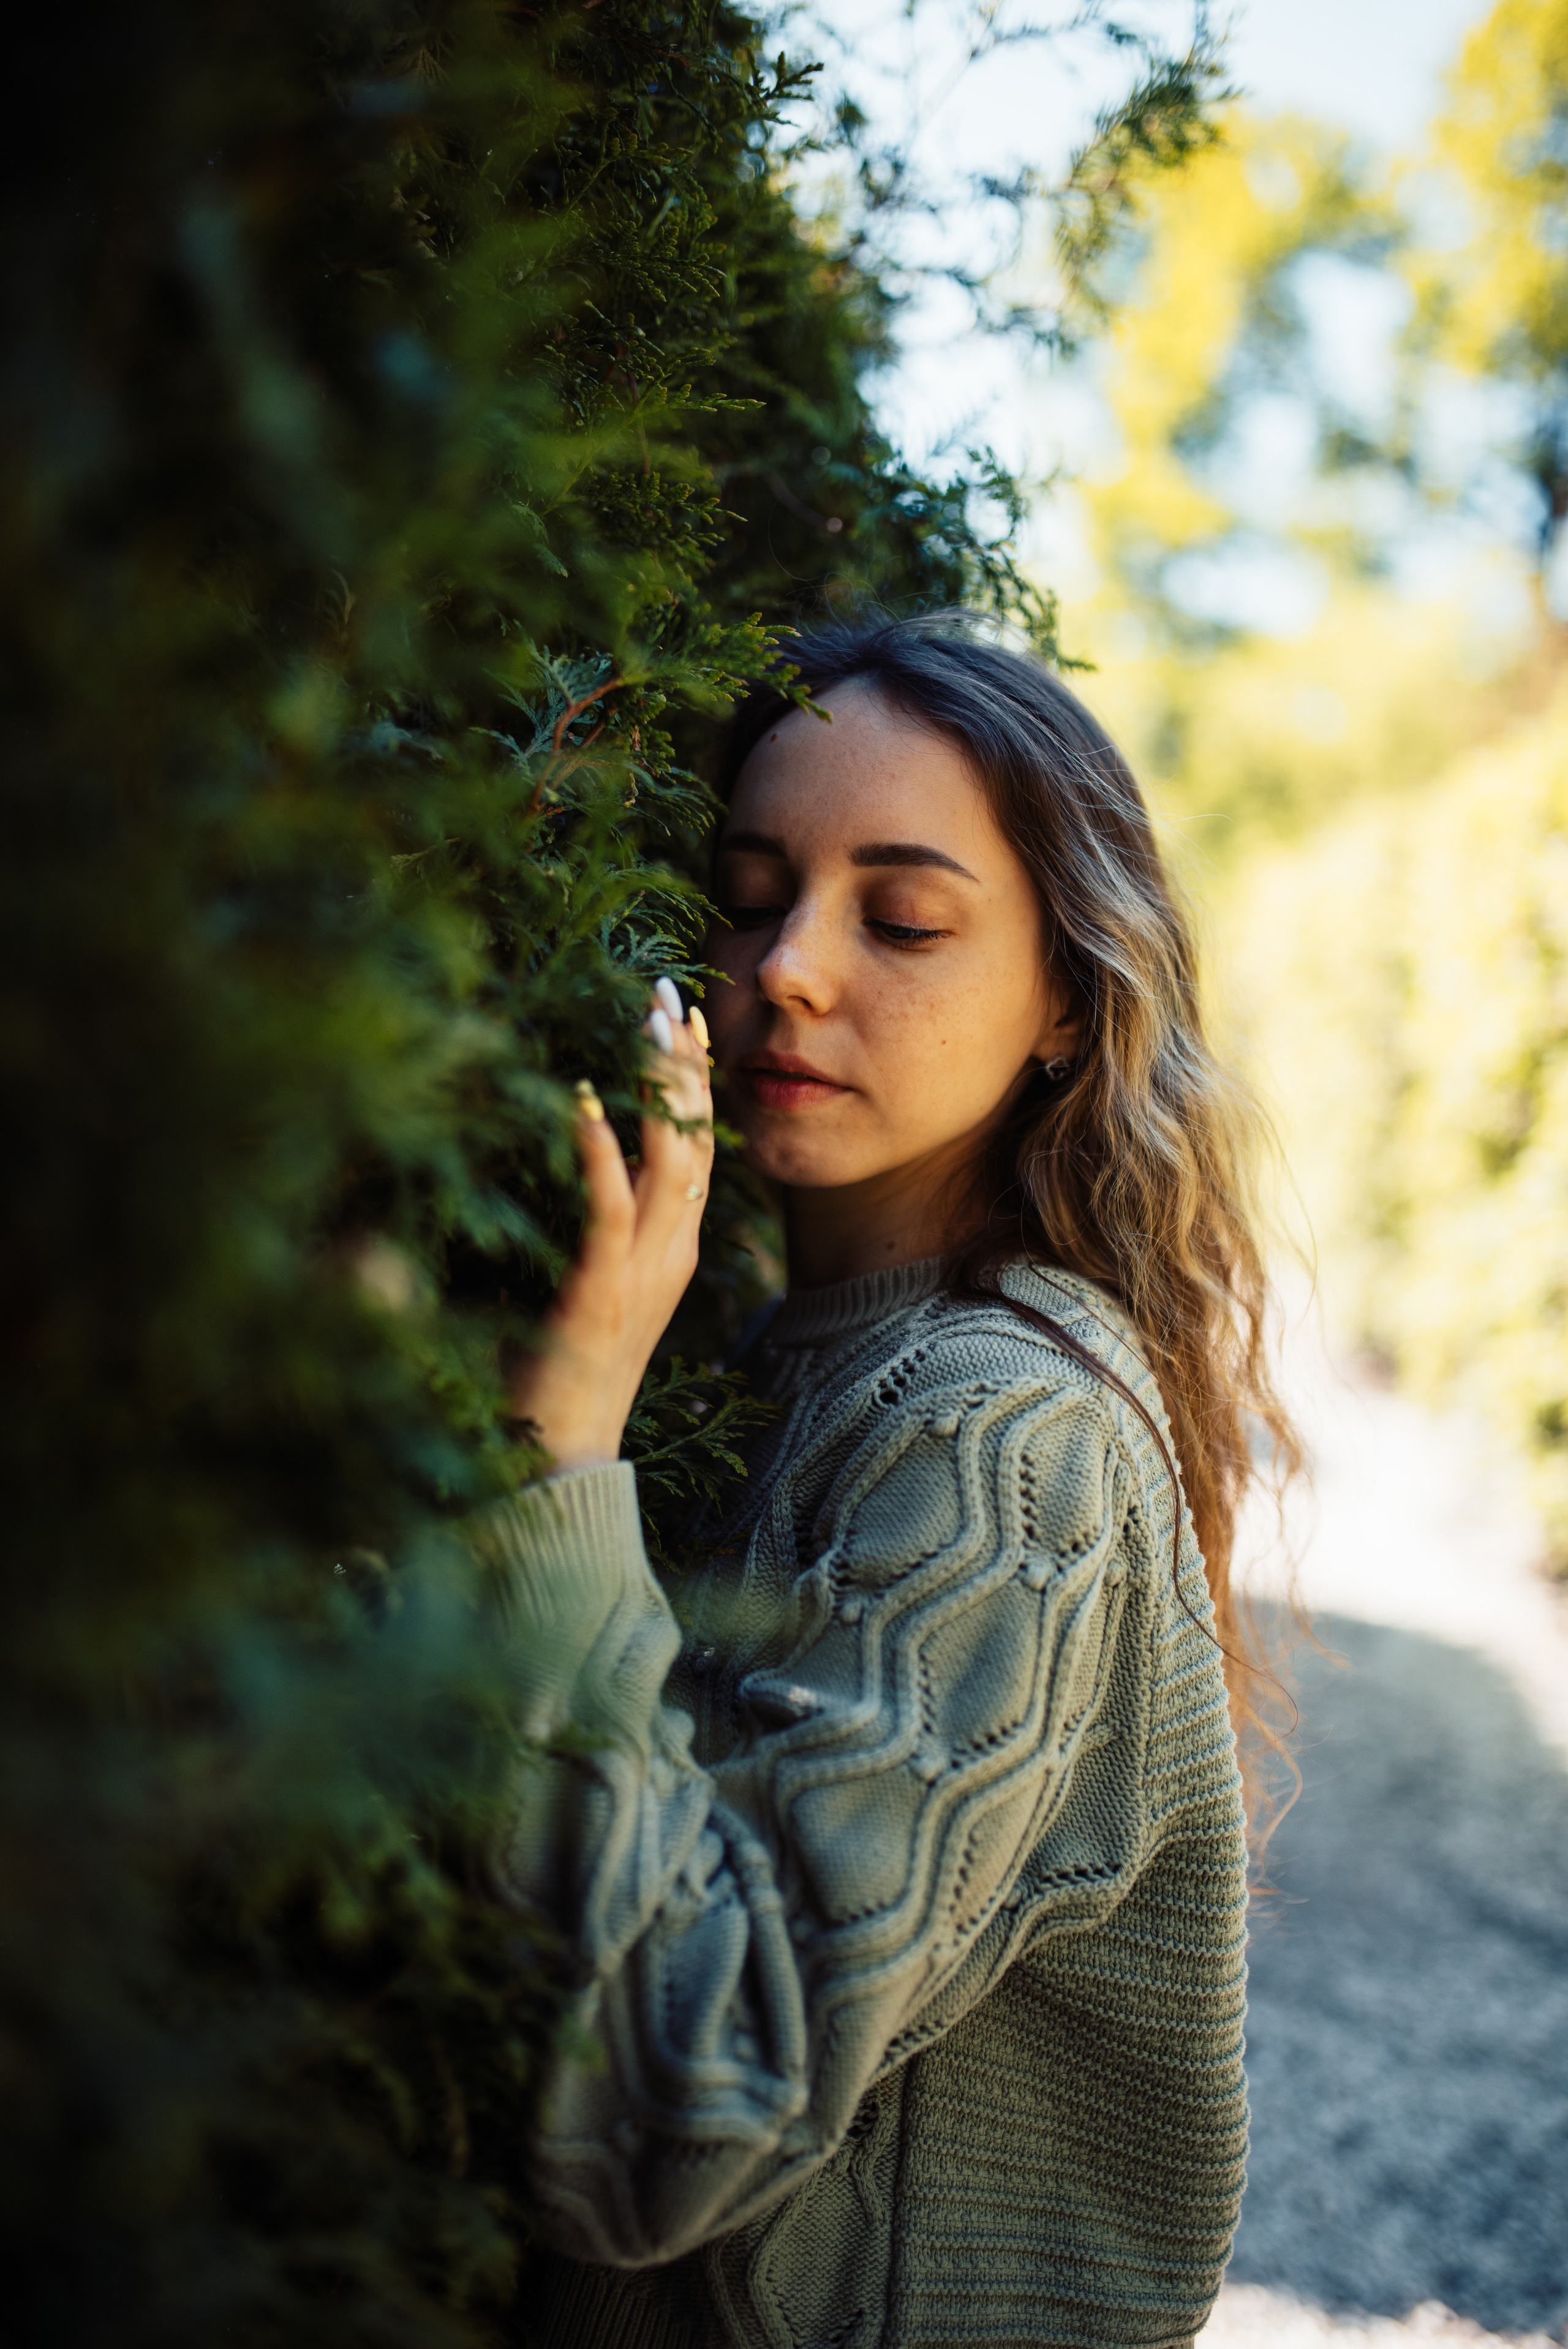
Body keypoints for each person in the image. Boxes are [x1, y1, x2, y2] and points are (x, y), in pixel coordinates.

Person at [487, 613, 1295, 2349]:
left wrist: (559, 1457)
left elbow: (671, 2125)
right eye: (753, 886)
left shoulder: (1007, 1430)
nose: (785, 964)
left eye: (904, 916)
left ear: (1072, 1005)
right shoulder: (774, 1346)